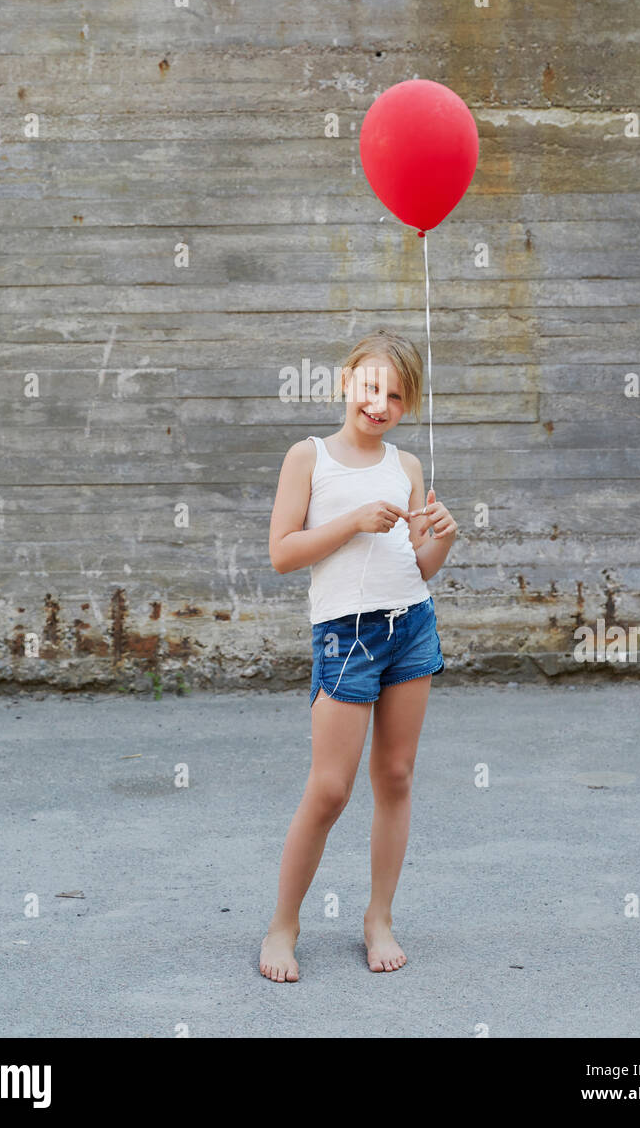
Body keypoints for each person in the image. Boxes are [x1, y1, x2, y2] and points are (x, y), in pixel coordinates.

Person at [260, 328, 457, 981]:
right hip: (347, 637)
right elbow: (283, 553)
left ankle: (379, 918)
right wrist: (351, 522)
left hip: (412, 627)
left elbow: (416, 566)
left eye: (397, 396)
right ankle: (283, 927)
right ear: (347, 381)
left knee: (396, 776)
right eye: (372, 387)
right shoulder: (308, 457)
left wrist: (442, 542)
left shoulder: (406, 467)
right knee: (330, 789)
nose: (381, 404)